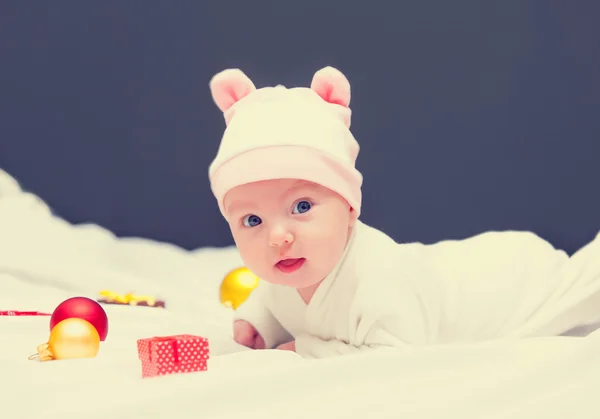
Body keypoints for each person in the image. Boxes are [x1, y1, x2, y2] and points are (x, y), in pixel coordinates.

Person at [207, 66, 600, 359]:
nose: (278, 236)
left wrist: (306, 350)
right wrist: (256, 323)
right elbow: (275, 299)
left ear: (348, 209)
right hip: (451, 268)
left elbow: (395, 360)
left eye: (303, 206)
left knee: (584, 287)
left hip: (508, 281)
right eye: (252, 221)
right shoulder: (288, 268)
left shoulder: (377, 279)